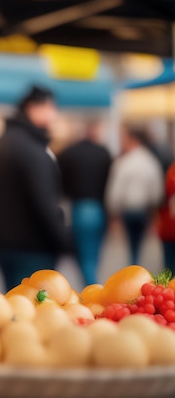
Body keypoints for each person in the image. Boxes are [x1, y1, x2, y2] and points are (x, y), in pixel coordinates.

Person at [0, 85, 68, 292]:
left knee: (12, 298)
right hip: (34, 245)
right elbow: (45, 205)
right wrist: (64, 240)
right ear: (33, 108)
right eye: (50, 107)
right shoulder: (35, 152)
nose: (53, 114)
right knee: (35, 306)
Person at [56, 122, 112, 285]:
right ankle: (92, 288)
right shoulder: (103, 152)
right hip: (100, 208)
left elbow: (60, 182)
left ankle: (91, 288)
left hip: (79, 208)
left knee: (84, 255)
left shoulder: (68, 153)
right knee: (93, 256)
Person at [105, 126, 164, 266]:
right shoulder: (150, 161)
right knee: (140, 242)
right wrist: (155, 207)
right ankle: (137, 264)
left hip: (128, 209)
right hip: (144, 209)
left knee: (131, 242)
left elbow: (115, 189)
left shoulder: (123, 162)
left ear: (133, 141)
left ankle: (133, 263)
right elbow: (156, 187)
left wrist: (113, 211)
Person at [157, 162, 175, 273]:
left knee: (169, 267)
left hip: (168, 228)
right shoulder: (172, 171)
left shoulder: (171, 171)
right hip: (169, 229)